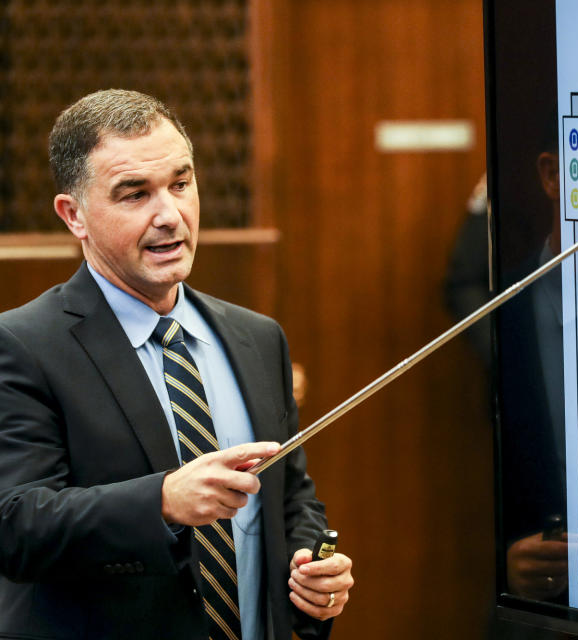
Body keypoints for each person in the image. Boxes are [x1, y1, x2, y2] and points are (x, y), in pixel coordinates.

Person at [0, 89, 353, 640]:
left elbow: (291, 495)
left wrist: (313, 567)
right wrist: (162, 500)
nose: (170, 215)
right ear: (75, 215)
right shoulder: (22, 344)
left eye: (181, 184)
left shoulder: (258, 337)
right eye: (134, 194)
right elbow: (16, 525)